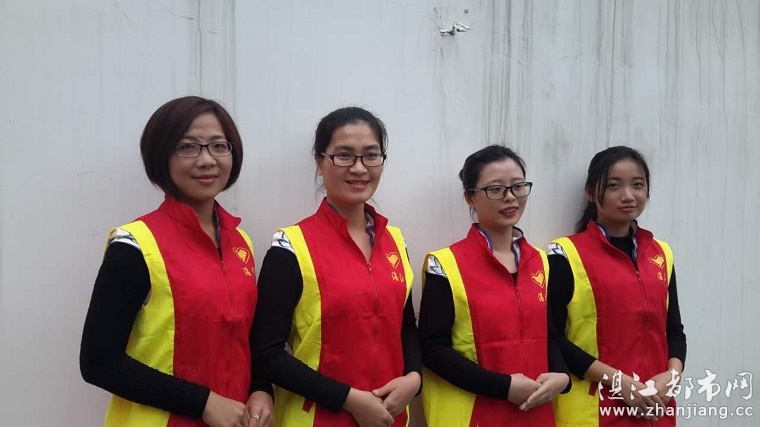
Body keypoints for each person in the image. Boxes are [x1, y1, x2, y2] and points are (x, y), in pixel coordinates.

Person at [80, 96, 273, 427]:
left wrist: (261, 389)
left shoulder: (240, 242)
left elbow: (245, 337)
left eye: (219, 146)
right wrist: (203, 402)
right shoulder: (134, 245)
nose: (206, 160)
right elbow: (99, 362)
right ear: (162, 156)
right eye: (188, 147)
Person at [250, 106, 421, 427]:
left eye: (371, 155)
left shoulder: (396, 241)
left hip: (390, 418)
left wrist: (414, 378)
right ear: (320, 162)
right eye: (344, 155)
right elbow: (266, 353)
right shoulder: (291, 246)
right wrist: (349, 399)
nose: (359, 168)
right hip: (317, 417)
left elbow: (405, 325)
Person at [418, 145, 570, 426]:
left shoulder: (541, 262)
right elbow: (432, 349)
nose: (510, 197)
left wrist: (562, 376)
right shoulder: (446, 265)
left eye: (518, 186)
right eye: (495, 189)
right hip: (475, 415)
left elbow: (549, 334)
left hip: (537, 414)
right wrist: (504, 387)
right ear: (470, 197)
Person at [548, 146, 687, 426]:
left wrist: (672, 377)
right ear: (591, 192)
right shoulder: (565, 254)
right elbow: (551, 337)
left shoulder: (661, 253)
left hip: (655, 408)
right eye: (614, 186)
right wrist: (619, 382)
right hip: (593, 411)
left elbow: (674, 330)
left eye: (638, 185)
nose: (628, 195)